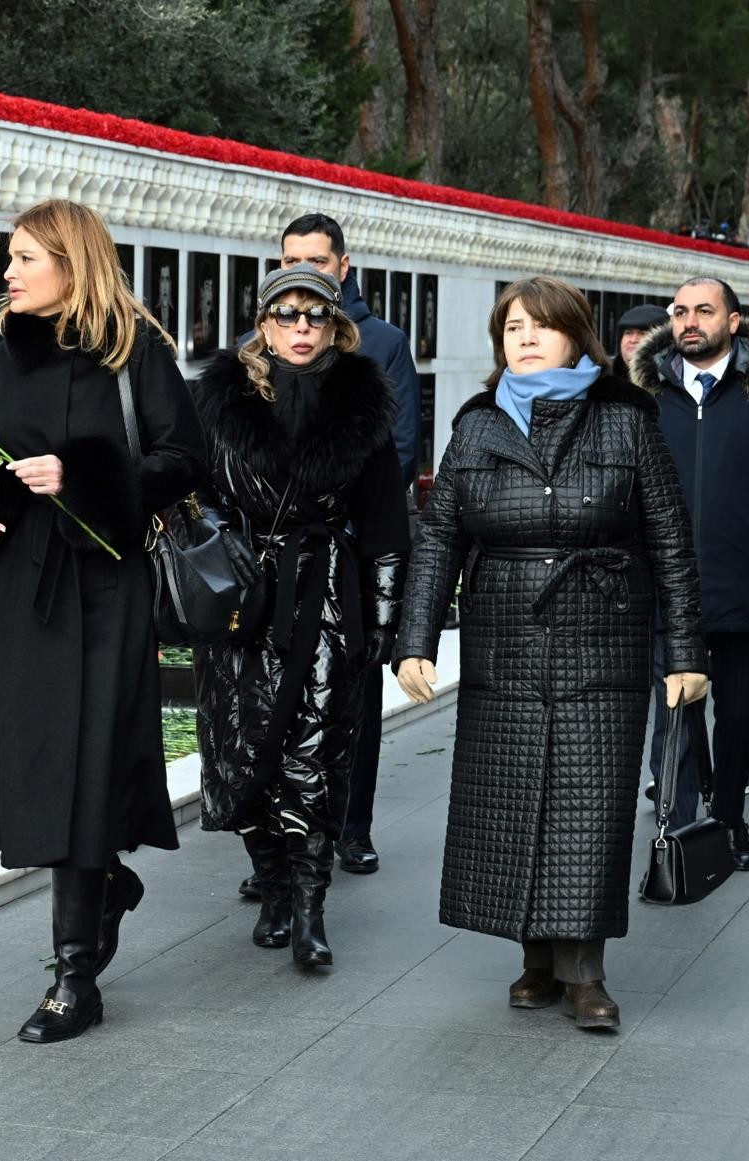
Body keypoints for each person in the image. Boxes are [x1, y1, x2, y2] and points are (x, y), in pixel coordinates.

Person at [395, 276, 708, 1031]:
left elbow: (669, 536)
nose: (526, 338)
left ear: (576, 336)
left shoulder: (625, 420)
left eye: (541, 326)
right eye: (513, 329)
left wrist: (686, 652)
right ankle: (535, 958)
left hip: (603, 632)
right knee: (507, 803)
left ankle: (584, 972)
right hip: (504, 637)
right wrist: (414, 640)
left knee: (588, 807)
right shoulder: (475, 427)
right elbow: (440, 536)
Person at [0, 199, 207, 1043]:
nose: (8, 274)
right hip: (23, 584)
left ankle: (73, 973)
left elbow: (184, 460)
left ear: (70, 261)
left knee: (89, 764)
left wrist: (87, 474)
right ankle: (106, 890)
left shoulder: (137, 348)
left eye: (24, 258)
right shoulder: (11, 349)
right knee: (37, 760)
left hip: (102, 589)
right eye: (9, 259)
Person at [194, 263, 410, 968]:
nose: (300, 327)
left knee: (317, 753)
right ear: (264, 324)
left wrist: (383, 615)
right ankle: (277, 884)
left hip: (325, 595)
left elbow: (384, 517)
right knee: (243, 751)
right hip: (244, 599)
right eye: (286, 315)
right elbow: (195, 498)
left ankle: (313, 909)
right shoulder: (221, 401)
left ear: (334, 323)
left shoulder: (360, 407)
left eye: (313, 315)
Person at [630, 276, 749, 865]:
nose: (689, 321)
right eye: (680, 311)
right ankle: (678, 839)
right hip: (667, 586)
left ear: (733, 322)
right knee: (676, 718)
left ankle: (730, 817)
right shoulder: (646, 393)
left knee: (738, 717)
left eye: (704, 311)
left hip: (745, 583)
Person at [273, 213, 422, 878]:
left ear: (344, 264)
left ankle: (350, 825)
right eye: (288, 258)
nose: (302, 267)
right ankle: (280, 833)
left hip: (350, 553)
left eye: (316, 258)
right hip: (280, 565)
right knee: (275, 700)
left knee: (351, 702)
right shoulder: (264, 343)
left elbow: (397, 447)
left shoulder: (382, 343)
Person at [612, 303, 666, 381]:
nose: (633, 340)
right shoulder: (604, 378)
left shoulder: (673, 382)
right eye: (628, 333)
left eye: (643, 333)